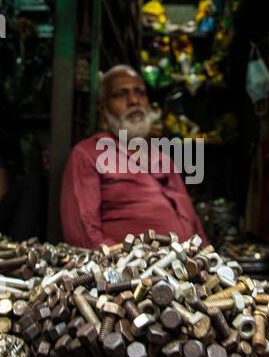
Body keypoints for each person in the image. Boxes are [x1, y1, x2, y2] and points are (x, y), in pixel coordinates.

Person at [60, 65, 207, 250]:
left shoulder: (162, 158)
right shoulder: (87, 155)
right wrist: (135, 266)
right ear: (103, 110)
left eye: (140, 93)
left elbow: (196, 229)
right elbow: (84, 236)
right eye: (120, 94)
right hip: (134, 275)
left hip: (192, 271)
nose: (134, 101)